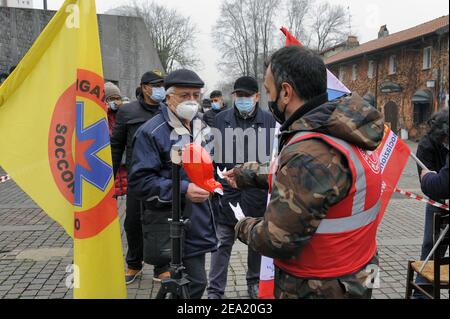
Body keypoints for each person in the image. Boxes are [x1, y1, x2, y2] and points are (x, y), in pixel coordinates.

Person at [223, 45, 385, 299]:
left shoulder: (310, 152)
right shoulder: (346, 130)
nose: (268, 98)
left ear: (286, 92)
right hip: (363, 272)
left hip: (322, 286)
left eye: (268, 91)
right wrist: (247, 174)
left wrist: (241, 224)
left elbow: (277, 240)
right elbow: (316, 181)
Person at [128, 69, 218, 299]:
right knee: (193, 283)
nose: (192, 101)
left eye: (196, 95)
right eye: (184, 95)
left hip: (200, 220)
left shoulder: (201, 126)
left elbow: (207, 165)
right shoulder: (151, 132)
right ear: (168, 97)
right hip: (171, 224)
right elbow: (140, 182)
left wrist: (219, 179)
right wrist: (184, 189)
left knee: (189, 284)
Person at [207, 76, 276, 299]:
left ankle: (254, 282)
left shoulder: (270, 121)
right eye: (239, 96)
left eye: (247, 96)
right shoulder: (220, 119)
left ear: (257, 96)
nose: (242, 100)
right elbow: (215, 157)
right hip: (229, 191)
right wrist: (215, 184)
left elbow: (273, 160)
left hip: (256, 192)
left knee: (256, 241)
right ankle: (215, 290)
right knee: (222, 241)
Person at [110, 70, 166, 285]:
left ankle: (162, 266)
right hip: (137, 177)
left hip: (162, 177)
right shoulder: (127, 112)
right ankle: (134, 262)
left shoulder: (167, 110)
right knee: (133, 222)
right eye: (156, 85)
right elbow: (116, 145)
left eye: (163, 85)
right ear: (144, 87)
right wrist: (110, 178)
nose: (160, 89)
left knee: (161, 221)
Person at [414, 108, 449, 298]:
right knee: (431, 244)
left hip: (442, 186)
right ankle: (422, 291)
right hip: (438, 202)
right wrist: (444, 198)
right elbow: (425, 181)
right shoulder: (426, 145)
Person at [104, 82, 127, 198]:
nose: (116, 101)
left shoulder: (122, 115)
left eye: (118, 98)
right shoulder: (101, 116)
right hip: (107, 166)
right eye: (112, 99)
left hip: (122, 166)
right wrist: (104, 111)